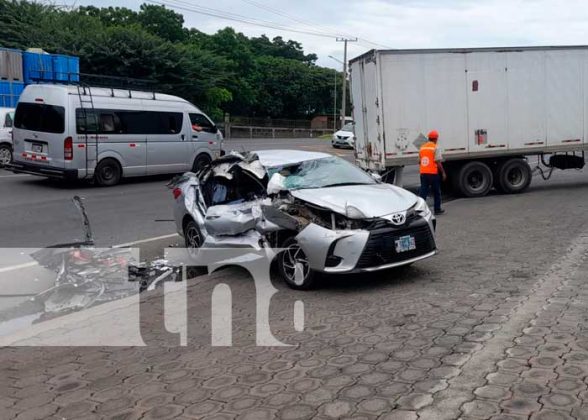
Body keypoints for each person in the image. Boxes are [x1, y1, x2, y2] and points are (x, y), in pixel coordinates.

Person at [419, 130, 446, 215]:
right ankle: (437, 210)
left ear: (429, 138)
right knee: (436, 192)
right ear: (436, 139)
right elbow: (438, 162)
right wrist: (443, 173)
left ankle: (420, 211)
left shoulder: (422, 147)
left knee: (423, 192)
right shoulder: (435, 147)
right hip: (433, 174)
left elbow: (419, 161)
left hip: (423, 173)